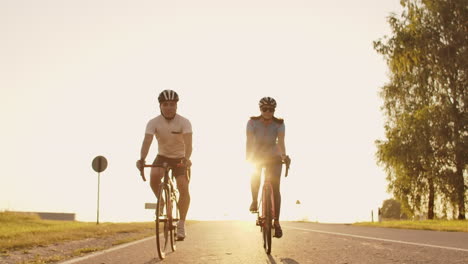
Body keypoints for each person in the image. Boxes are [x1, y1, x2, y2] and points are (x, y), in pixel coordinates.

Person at [137, 89, 192, 241]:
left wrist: (187, 158)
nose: (169, 107)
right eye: (166, 104)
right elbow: (147, 142)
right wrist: (142, 159)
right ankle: (161, 201)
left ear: (176, 106)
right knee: (154, 177)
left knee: (183, 187)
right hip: (162, 156)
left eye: (172, 104)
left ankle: (181, 223)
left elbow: (189, 144)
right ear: (160, 106)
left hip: (180, 158)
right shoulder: (153, 122)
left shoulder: (184, 122)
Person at [246, 96, 288, 238]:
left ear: (274, 110)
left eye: (271, 110)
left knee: (276, 187)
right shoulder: (252, 122)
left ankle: (276, 221)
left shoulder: (279, 123)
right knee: (255, 175)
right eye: (265, 109)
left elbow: (281, 141)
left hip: (273, 155)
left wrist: (283, 156)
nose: (268, 112)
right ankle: (254, 200)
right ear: (260, 109)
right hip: (257, 154)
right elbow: (249, 141)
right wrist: (248, 157)